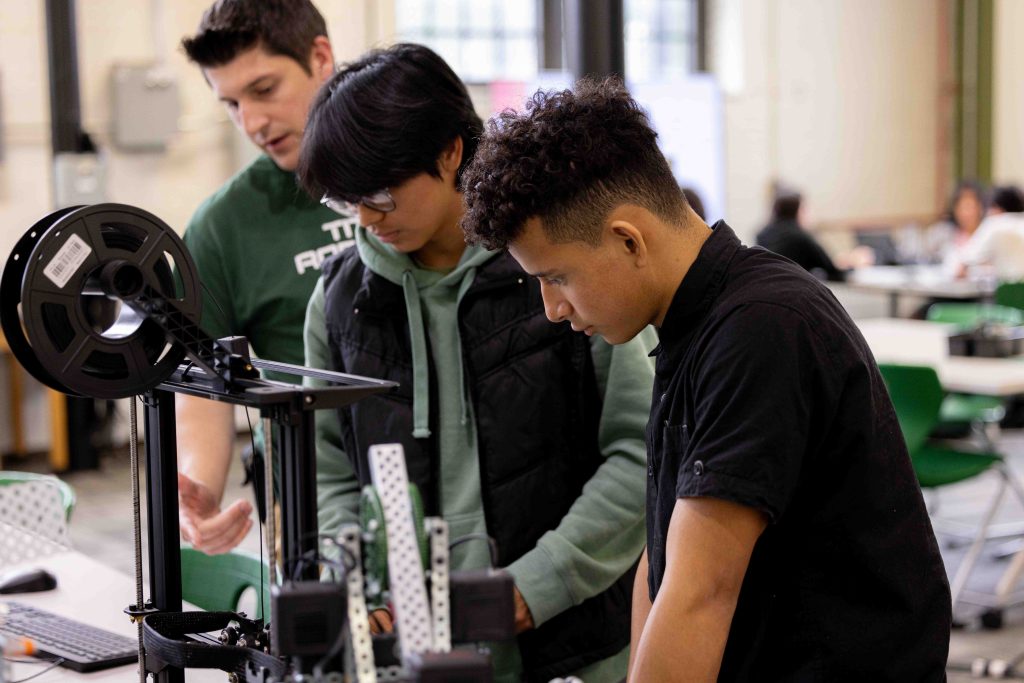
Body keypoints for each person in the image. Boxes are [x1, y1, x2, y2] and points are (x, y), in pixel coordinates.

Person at [460, 77, 952, 681]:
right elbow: (662, 561)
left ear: (627, 239)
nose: (551, 309)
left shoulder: (760, 330)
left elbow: (701, 594)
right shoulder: (692, 322)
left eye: (557, 277)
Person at [297, 44, 652, 683]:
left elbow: (639, 453)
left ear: (450, 151)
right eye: (347, 201)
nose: (367, 217)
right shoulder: (340, 300)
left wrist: (538, 583)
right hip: (404, 650)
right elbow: (330, 474)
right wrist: (358, 586)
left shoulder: (558, 267)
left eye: (380, 192)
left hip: (570, 641)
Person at [176, 0, 356, 553]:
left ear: (319, 57)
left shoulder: (412, 175)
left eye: (264, 89)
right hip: (310, 503)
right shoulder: (222, 226)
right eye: (230, 103)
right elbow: (203, 384)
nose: (251, 123)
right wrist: (198, 490)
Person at [755, 189, 871, 281]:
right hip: (796, 295)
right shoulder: (800, 237)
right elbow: (834, 273)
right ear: (798, 211)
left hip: (769, 293)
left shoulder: (763, 234)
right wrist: (853, 264)